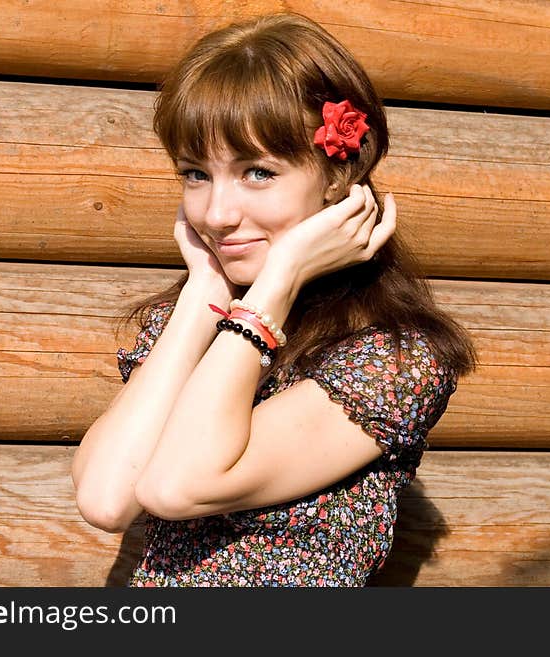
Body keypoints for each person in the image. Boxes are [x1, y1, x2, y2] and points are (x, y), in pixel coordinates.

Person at [72, 11, 477, 587]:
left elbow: (177, 485)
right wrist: (202, 295)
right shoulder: (190, 322)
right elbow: (107, 498)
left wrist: (278, 280)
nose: (217, 214)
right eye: (195, 174)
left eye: (257, 172)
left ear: (340, 176)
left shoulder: (394, 359)